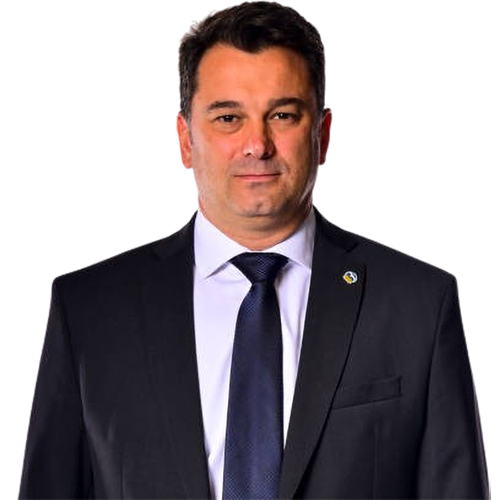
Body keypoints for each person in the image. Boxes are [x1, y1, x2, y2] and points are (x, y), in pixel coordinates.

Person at [19, 3, 489, 500]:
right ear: (185, 140)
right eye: (228, 117)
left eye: (283, 115)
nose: (257, 145)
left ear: (323, 135)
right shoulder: (90, 309)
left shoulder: (417, 303)